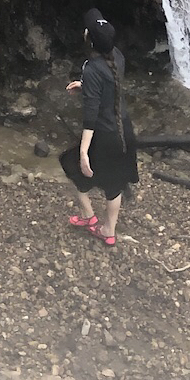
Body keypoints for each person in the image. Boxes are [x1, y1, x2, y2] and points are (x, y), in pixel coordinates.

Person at [59, 15, 138, 248]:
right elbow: (110, 85)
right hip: (124, 131)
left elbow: (91, 116)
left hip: (104, 135)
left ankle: (88, 216)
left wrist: (84, 151)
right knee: (114, 184)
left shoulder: (92, 68)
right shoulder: (118, 57)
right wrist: (86, 87)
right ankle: (108, 231)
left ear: (90, 41)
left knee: (71, 164)